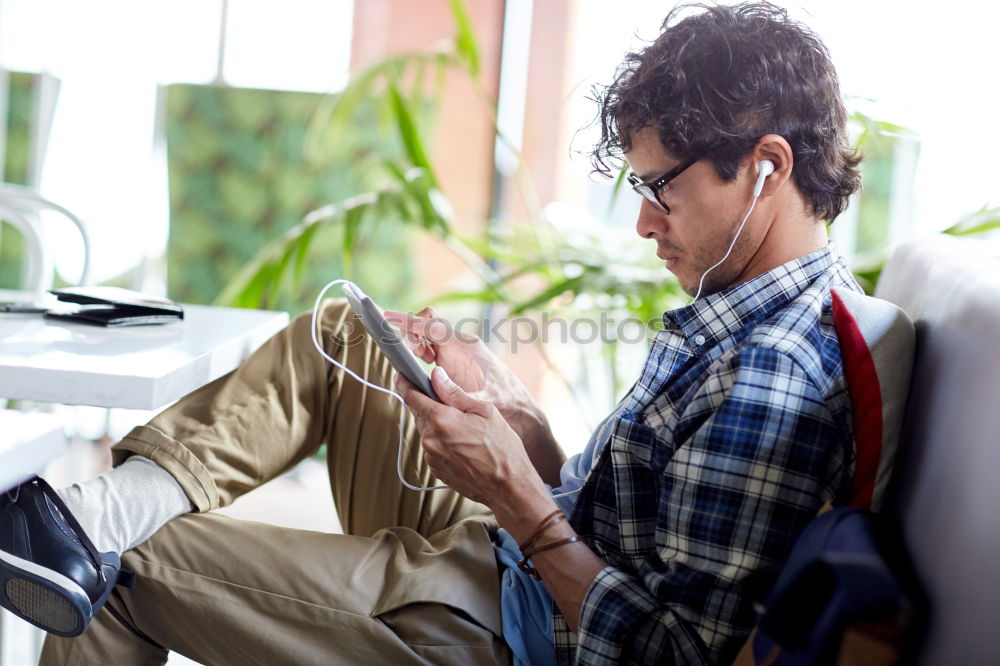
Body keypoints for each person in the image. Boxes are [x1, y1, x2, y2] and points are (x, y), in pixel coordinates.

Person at [0, 2, 865, 664]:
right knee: (341, 335)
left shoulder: (772, 375)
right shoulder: (749, 309)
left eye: (662, 187)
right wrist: (517, 421)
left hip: (511, 630)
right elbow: (622, 519)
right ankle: (90, 515)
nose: (644, 223)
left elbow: (667, 652)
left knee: (109, 570)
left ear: (767, 166)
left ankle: (86, 536)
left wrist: (516, 497)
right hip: (514, 559)